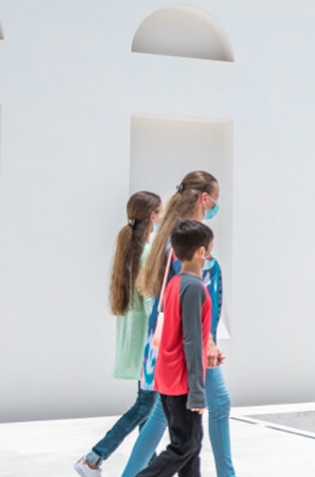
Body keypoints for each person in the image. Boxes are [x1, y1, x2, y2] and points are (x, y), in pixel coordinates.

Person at [122, 171, 234, 477]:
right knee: (218, 407)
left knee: (165, 418)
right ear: (204, 198)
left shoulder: (175, 236)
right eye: (216, 199)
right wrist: (207, 341)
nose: (216, 206)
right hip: (191, 345)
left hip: (174, 346)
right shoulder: (188, 243)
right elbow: (189, 299)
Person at [73, 192, 162, 477]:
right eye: (159, 213)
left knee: (146, 407)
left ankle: (150, 463)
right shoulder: (146, 253)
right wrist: (162, 339)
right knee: (146, 405)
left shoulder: (130, 252)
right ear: (153, 217)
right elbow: (150, 303)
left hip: (136, 343)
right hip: (148, 345)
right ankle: (94, 457)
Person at [136, 219, 215, 477]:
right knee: (186, 445)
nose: (210, 257)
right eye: (210, 251)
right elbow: (191, 340)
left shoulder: (174, 284)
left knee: (191, 447)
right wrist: (197, 391)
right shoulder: (194, 288)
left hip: (168, 378)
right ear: (201, 252)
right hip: (182, 382)